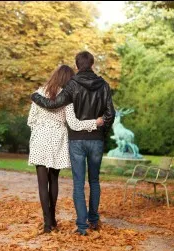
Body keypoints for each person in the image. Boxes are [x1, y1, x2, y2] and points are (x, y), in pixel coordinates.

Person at [31, 51, 115, 236]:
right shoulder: (104, 85)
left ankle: (75, 226)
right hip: (90, 139)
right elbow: (110, 113)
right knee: (93, 181)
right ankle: (93, 220)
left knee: (77, 183)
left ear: (78, 65)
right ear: (92, 63)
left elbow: (49, 107)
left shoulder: (71, 87)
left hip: (70, 139)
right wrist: (101, 131)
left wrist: (35, 97)